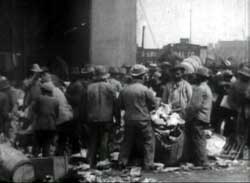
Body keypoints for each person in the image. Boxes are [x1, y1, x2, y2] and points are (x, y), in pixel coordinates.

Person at [118, 64, 157, 170]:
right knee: (148, 140)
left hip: (129, 119)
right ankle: (148, 164)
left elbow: (121, 105)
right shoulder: (145, 90)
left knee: (127, 141)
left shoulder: (124, 90)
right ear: (143, 76)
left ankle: (122, 162)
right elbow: (153, 105)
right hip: (143, 119)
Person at [86, 65, 118, 168]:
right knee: (104, 139)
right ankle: (103, 161)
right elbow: (115, 105)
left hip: (92, 118)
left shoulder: (89, 88)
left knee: (93, 139)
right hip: (106, 118)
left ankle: (90, 162)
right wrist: (118, 119)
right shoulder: (110, 87)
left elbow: (84, 105)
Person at [185, 67, 213, 167]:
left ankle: (202, 161)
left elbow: (195, 105)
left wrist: (187, 116)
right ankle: (198, 160)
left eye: (196, 76)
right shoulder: (207, 87)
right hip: (204, 116)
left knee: (198, 139)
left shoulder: (200, 89)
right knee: (199, 138)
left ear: (200, 77)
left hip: (198, 116)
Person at [33, 83, 59, 157]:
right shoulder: (56, 101)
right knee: (47, 146)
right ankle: (46, 164)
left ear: (43, 91)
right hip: (51, 126)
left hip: (40, 125)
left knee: (37, 145)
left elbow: (35, 110)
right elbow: (57, 114)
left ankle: (35, 163)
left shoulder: (39, 98)